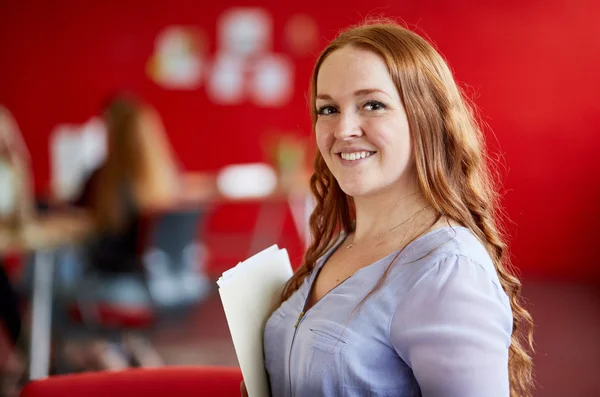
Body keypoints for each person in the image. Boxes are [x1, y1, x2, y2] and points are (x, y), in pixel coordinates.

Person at [254, 21, 534, 397]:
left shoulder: (448, 272)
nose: (344, 129)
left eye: (373, 104)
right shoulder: (341, 243)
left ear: (426, 119)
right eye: (328, 109)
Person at [68, 95, 181, 370]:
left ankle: (90, 350)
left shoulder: (104, 179)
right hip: (164, 283)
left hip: (121, 287)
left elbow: (77, 214)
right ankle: (124, 343)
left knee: (52, 288)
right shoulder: (163, 175)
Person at [0, 106, 34, 397]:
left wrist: (19, 161)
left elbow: (22, 216)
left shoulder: (9, 168)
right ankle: (27, 355)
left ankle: (25, 356)